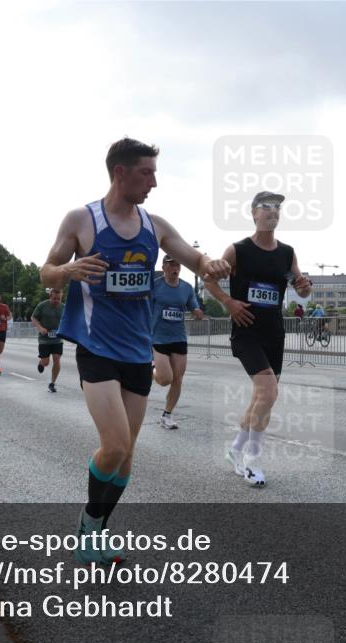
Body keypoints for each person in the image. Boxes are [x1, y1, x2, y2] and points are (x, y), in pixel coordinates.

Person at [40, 137, 230, 565]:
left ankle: (96, 532)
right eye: (147, 173)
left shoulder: (154, 225)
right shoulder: (81, 220)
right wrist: (68, 269)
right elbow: (46, 273)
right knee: (114, 444)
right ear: (120, 172)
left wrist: (211, 263)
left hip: (135, 351)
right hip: (96, 348)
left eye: (155, 173)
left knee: (126, 459)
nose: (154, 182)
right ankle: (88, 527)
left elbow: (195, 259)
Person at [203, 191, 312, 487]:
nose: (273, 211)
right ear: (253, 212)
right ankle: (253, 460)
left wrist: (304, 288)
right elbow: (208, 280)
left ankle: (235, 450)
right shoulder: (238, 250)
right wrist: (229, 302)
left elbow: (300, 287)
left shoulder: (287, 253)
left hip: (274, 333)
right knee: (268, 393)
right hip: (246, 331)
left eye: (277, 207)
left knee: (260, 398)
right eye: (267, 206)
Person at [151, 255, 203, 429]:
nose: (175, 268)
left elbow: (193, 305)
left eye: (178, 265)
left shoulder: (186, 288)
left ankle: (167, 415)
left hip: (179, 337)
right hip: (158, 337)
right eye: (171, 265)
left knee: (178, 379)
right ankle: (151, 370)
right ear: (164, 267)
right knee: (165, 379)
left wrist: (197, 312)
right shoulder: (155, 286)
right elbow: (142, 308)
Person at [31, 288, 65, 393]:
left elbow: (69, 320)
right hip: (44, 340)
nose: (56, 301)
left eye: (58, 299)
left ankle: (52, 383)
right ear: (50, 296)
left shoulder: (64, 307)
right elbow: (33, 318)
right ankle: (41, 363)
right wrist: (40, 328)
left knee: (57, 359)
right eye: (54, 298)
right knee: (46, 362)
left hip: (58, 339)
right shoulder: (42, 305)